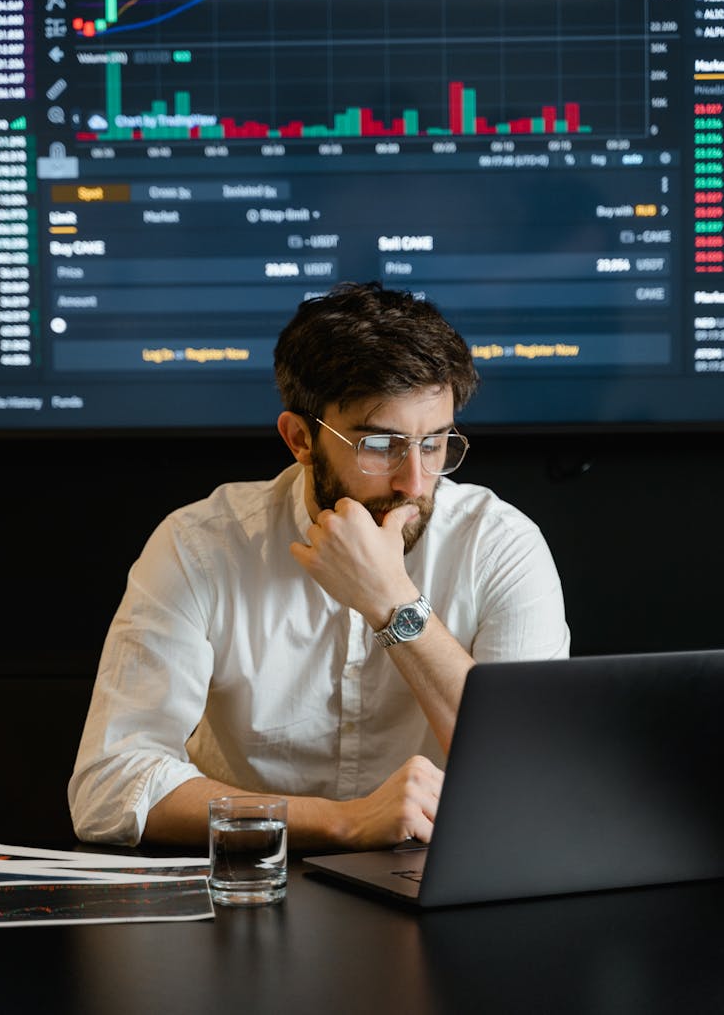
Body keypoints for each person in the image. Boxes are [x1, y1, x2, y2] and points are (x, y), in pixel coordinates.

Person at [68, 282, 570, 850]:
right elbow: (109, 788)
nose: (415, 482)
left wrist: (394, 606)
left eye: (434, 444)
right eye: (381, 446)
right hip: (253, 884)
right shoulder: (199, 545)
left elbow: (535, 775)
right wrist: (344, 822)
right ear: (300, 439)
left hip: (438, 883)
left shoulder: (501, 545)